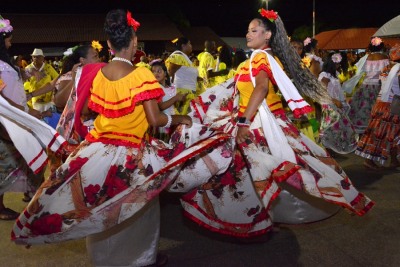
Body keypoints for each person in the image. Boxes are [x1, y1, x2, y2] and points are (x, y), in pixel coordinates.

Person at [162, 9, 374, 239]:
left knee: (251, 169)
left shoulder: (261, 57)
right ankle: (263, 214)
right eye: (248, 30)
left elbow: (261, 88)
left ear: (268, 35)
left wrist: (243, 123)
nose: (248, 34)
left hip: (257, 124)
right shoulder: (259, 57)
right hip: (256, 120)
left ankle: (257, 215)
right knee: (255, 170)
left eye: (254, 31)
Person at [11, 9, 199, 267]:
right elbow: (155, 120)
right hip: (132, 153)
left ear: (109, 44)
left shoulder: (98, 74)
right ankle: (139, 260)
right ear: (134, 41)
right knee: (135, 208)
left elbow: (88, 110)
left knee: (99, 207)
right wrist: (180, 119)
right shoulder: (142, 74)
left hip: (98, 151)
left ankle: (105, 260)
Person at [0, 15, 56, 220]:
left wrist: (31, 111)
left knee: (22, 158)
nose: (11, 42)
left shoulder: (8, 65)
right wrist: (22, 113)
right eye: (7, 38)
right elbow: (3, 99)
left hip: (18, 116)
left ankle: (32, 195)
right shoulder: (1, 66)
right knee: (13, 160)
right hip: (9, 121)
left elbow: (16, 96)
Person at [355, 43, 400, 170]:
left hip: (381, 103)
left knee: (386, 132)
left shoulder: (386, 67)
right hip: (392, 105)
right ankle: (370, 161)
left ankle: (394, 159)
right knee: (387, 132)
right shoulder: (398, 70)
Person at [318, 52, 358, 154]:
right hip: (329, 104)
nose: (338, 65)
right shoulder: (325, 75)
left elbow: (337, 90)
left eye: (339, 63)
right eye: (336, 63)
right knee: (331, 125)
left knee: (337, 125)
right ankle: (325, 147)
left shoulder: (334, 74)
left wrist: (341, 100)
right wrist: (334, 100)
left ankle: (329, 147)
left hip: (335, 103)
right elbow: (321, 91)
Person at [347, 37, 389, 134]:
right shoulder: (386, 58)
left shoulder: (365, 58)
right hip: (380, 87)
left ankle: (363, 130)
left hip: (365, 87)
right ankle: (377, 129)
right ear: (381, 47)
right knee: (377, 109)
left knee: (362, 108)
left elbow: (357, 73)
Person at [149, 59, 186, 141]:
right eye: (153, 71)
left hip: (172, 120)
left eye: (159, 71)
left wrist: (181, 100)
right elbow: (160, 107)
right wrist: (175, 98)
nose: (156, 73)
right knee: (163, 142)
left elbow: (175, 106)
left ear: (165, 73)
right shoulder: (155, 88)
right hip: (162, 122)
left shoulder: (171, 88)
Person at [165, 37, 199, 115]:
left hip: (189, 93)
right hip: (183, 94)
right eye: (189, 43)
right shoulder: (178, 57)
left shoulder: (185, 58)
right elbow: (170, 72)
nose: (191, 46)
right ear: (183, 46)